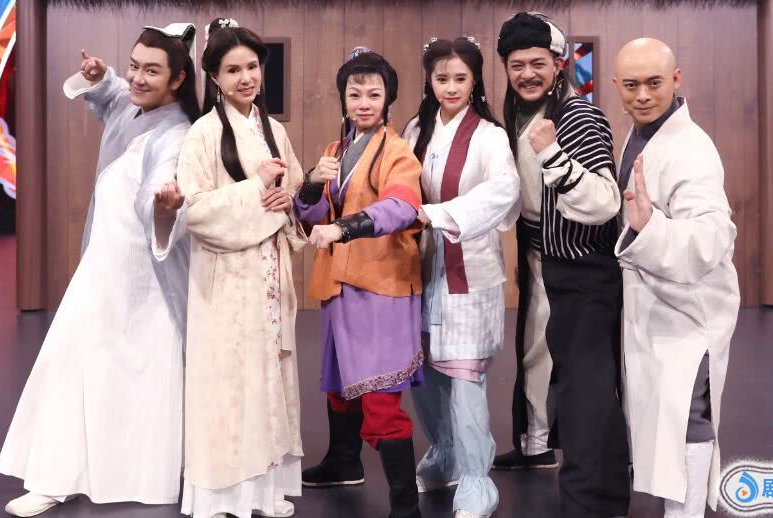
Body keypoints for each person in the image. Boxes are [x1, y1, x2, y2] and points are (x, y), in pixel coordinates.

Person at [0, 24, 199, 517]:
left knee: (137, 375)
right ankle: (55, 477)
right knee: (68, 367)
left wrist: (165, 204)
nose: (137, 78)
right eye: (134, 66)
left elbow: (158, 189)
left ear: (178, 80)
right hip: (101, 266)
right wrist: (101, 75)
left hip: (147, 279)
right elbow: (114, 96)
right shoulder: (133, 102)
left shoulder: (179, 134)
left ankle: (129, 473)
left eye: (152, 71)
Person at [495, 11, 630, 517]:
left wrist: (552, 155)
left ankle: (592, 500)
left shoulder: (579, 117)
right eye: (516, 65)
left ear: (559, 64)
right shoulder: (518, 115)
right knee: (539, 363)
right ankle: (537, 449)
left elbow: (605, 201)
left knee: (585, 386)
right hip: (544, 259)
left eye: (537, 63)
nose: (527, 74)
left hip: (584, 267)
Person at [174, 18, 305, 518]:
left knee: (269, 378)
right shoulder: (204, 133)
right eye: (233, 70)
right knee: (231, 382)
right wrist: (257, 190)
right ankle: (223, 496)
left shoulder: (275, 131)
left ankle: (265, 493)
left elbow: (292, 196)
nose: (246, 77)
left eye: (252, 66)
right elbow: (195, 211)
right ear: (214, 77)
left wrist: (289, 200)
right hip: (226, 282)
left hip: (270, 276)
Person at [612, 38, 739, 518]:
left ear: (677, 79)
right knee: (666, 416)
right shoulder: (640, 133)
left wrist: (650, 228)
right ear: (617, 86)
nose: (643, 95)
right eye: (631, 85)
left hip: (690, 310)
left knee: (688, 414)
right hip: (656, 303)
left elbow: (713, 236)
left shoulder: (691, 150)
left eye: (654, 83)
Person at [295, 48, 423, 518]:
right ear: (343, 99)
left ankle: (406, 507)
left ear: (389, 98)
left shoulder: (398, 151)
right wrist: (312, 183)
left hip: (381, 284)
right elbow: (312, 214)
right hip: (338, 282)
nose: (363, 103)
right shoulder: (335, 150)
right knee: (339, 383)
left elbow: (402, 207)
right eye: (354, 94)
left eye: (373, 94)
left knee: (380, 397)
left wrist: (343, 228)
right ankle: (344, 461)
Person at [402, 37, 520, 518]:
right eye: (441, 78)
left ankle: (475, 479)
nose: (450, 87)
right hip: (418, 266)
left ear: (475, 82)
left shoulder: (490, 136)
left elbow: (504, 192)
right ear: (429, 81)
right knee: (425, 372)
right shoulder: (416, 129)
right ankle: (445, 452)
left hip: (468, 269)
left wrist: (437, 214)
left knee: (464, 374)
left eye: (460, 78)